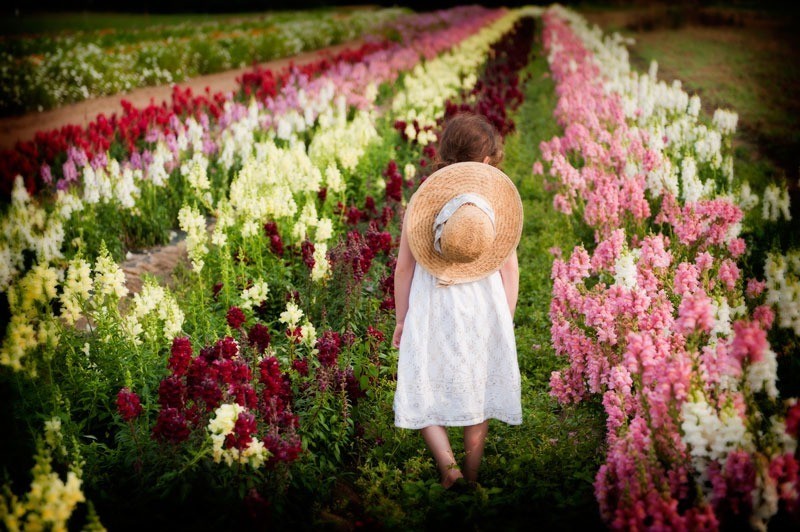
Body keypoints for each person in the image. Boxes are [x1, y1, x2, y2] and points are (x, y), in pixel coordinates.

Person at [392, 112, 523, 490]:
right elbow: (509, 269)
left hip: (432, 303)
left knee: (422, 380)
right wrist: (505, 317)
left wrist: (402, 319)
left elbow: (403, 269)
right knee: (477, 384)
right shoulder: (493, 207)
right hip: (482, 306)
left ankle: (449, 470)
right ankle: (473, 473)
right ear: (486, 163)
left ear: (445, 154)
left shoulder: (422, 203)